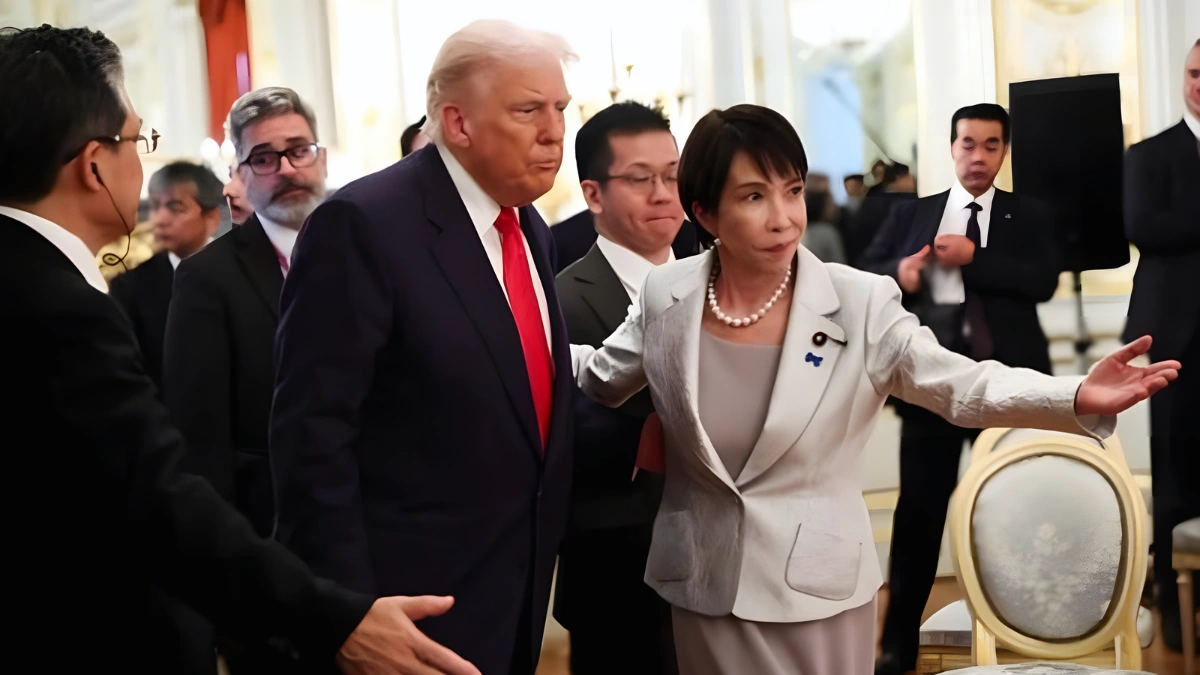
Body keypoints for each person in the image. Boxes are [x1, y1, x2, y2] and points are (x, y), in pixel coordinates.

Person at [568, 103, 1179, 675]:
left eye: (793, 191)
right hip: (701, 583)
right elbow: (598, 376)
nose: (784, 217)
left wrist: (1073, 396)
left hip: (817, 587)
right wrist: (512, 338)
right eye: (754, 197)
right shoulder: (666, 294)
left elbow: (961, 386)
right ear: (704, 213)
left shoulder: (858, 300)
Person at [0, 23, 478, 675]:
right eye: (137, 139)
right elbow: (162, 490)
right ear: (93, 163)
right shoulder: (62, 307)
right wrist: (327, 619)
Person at [270, 20, 577, 675]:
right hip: (402, 615)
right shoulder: (364, 224)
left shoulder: (529, 229)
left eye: (561, 108)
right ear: (458, 123)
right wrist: (349, 614)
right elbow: (311, 439)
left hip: (511, 597)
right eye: (528, 110)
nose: (555, 131)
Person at [859, 103, 1062, 675]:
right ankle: (897, 643)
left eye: (991, 145)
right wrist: (901, 274)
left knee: (1020, 509)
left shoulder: (1031, 214)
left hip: (1011, 388)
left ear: (1005, 152)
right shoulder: (914, 214)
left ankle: (1034, 631)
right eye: (968, 144)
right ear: (951, 148)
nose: (978, 156)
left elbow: (1042, 281)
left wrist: (976, 258)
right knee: (919, 514)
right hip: (932, 389)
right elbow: (867, 271)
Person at [553, 101, 685, 675]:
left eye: (674, 175)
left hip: (724, 566)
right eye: (640, 179)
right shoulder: (558, 300)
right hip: (616, 564)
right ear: (594, 193)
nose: (663, 193)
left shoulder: (720, 280)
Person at [1122, 38, 1200, 653]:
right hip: (1176, 334)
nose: (1199, 85)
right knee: (1175, 471)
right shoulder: (1149, 155)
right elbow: (1146, 227)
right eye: (1194, 74)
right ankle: (1176, 617)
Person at [109, 161, 222, 394]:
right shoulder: (130, 285)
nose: (159, 219)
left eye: (175, 208)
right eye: (155, 206)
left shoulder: (240, 274)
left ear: (212, 218)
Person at [846, 162, 916, 267]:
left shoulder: (872, 198)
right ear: (900, 178)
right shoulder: (898, 204)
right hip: (884, 263)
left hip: (865, 260)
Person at [800, 189, 846, 264]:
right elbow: (840, 262)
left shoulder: (802, 231)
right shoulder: (828, 232)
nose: (834, 206)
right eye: (830, 203)